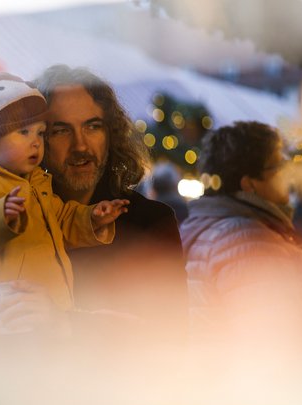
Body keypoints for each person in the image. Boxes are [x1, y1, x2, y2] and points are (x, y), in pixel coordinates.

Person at [0, 72, 129, 331]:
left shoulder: (36, 183)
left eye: (40, 132)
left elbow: (60, 219)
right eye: (23, 132)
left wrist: (91, 218)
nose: (36, 142)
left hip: (42, 306)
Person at [34, 65, 188, 340]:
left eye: (92, 127)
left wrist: (65, 321)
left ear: (111, 134)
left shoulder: (150, 223)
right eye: (61, 130)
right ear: (37, 140)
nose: (80, 146)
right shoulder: (19, 220)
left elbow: (172, 336)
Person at [180, 121, 302, 350]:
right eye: (278, 165)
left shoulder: (214, 229)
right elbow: (271, 342)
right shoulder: (246, 240)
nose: (288, 171)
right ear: (249, 184)